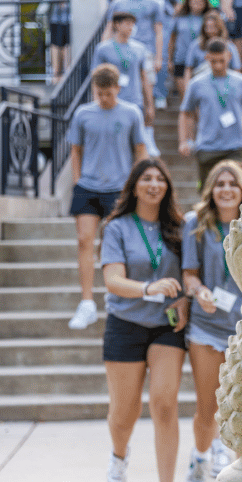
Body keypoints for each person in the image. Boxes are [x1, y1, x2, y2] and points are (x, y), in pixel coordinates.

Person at [100, 158, 187, 482]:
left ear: (167, 187)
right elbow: (112, 281)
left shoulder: (179, 227)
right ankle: (119, 455)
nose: (154, 184)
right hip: (126, 323)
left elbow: (191, 274)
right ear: (134, 186)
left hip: (166, 326)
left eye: (160, 178)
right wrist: (148, 288)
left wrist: (185, 301)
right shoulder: (117, 227)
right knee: (124, 413)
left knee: (165, 402)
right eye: (147, 178)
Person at [180, 160, 242, 482]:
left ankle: (234, 465)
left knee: (239, 403)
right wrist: (199, 291)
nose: (226, 189)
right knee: (207, 405)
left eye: (232, 183)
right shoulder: (195, 223)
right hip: (205, 326)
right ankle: (200, 457)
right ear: (211, 189)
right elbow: (189, 275)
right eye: (220, 184)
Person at [67, 64, 148, 330]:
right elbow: (75, 150)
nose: (104, 99)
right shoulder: (83, 114)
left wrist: (138, 184)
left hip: (119, 188)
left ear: (118, 89)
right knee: (84, 240)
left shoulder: (131, 113)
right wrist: (78, 180)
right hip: (88, 186)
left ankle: (120, 293)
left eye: (108, 94)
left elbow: (140, 149)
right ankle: (87, 302)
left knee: (116, 244)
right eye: (99, 93)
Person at [178, 37, 242, 187]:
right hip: (206, 146)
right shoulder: (196, 83)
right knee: (207, 193)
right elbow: (186, 113)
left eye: (221, 60)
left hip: (235, 146)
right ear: (206, 58)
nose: (217, 65)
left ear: (229, 56)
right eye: (213, 61)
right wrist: (184, 140)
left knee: (239, 190)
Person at [92, 11, 160, 157]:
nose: (131, 27)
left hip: (135, 101)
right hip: (111, 102)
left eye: (133, 24)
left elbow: (145, 77)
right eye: (128, 23)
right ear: (117, 25)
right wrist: (97, 101)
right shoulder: (103, 49)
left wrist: (150, 103)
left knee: (134, 143)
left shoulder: (140, 48)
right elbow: (96, 78)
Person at [107, 0, 166, 114]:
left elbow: (159, 31)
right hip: (121, 49)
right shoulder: (118, 3)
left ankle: (148, 121)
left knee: (147, 86)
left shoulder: (154, 3)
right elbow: (109, 28)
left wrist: (159, 57)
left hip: (146, 50)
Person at [146, 0, 181, 107]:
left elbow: (178, 1)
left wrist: (172, 17)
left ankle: (160, 94)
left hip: (165, 21)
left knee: (163, 57)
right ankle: (146, 94)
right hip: (146, 22)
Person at [170, 0, 212, 98]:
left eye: (200, 2)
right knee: (186, 97)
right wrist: (170, 59)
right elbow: (172, 39)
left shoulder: (208, 18)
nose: (197, 5)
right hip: (181, 58)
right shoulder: (180, 17)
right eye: (194, 2)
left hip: (201, 60)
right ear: (188, 2)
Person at [184, 12, 241, 81]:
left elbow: (236, 68)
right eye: (207, 27)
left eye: (213, 27)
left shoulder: (229, 46)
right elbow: (188, 68)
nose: (210, 30)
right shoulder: (196, 45)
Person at [47, 0, 73, 84]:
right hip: (55, 23)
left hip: (68, 23)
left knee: (67, 48)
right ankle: (55, 74)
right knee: (56, 47)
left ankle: (66, 74)